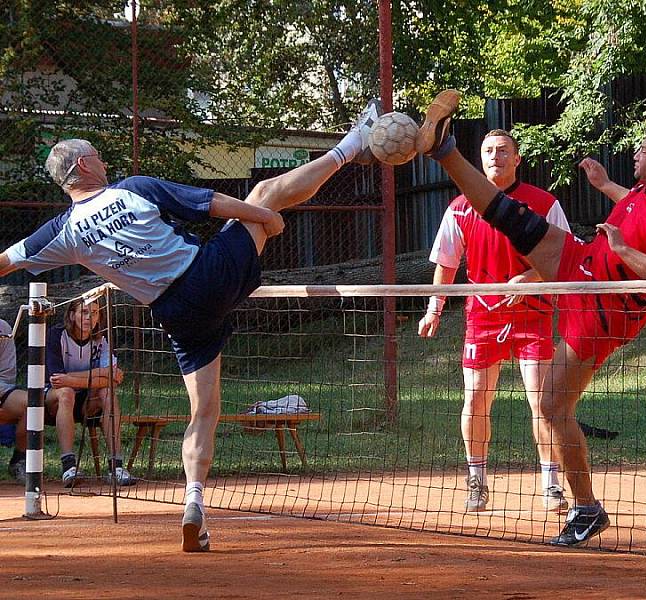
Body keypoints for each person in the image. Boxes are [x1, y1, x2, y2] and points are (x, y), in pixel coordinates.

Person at [0, 99, 382, 552]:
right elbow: (213, 204)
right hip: (206, 275)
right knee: (264, 192)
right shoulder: (134, 188)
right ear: (85, 164)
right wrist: (266, 219)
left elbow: (5, 261)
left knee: (204, 410)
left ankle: (194, 505)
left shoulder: (62, 230)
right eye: (98, 156)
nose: (105, 161)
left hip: (176, 314)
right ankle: (353, 143)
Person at [415, 90, 646, 546]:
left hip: (602, 314)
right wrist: (606, 188)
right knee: (512, 218)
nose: (636, 153)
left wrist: (622, 249)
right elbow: (641, 208)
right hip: (584, 266)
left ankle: (585, 508)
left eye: (644, 149)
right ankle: (444, 150)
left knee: (551, 407)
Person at [418, 129, 572, 513]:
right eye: (487, 151)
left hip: (532, 315)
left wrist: (530, 278)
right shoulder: (460, 207)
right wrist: (434, 309)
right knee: (475, 399)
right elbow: (447, 265)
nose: (495, 157)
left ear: (517, 159)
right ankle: (477, 482)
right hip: (482, 318)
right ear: (480, 158)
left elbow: (565, 259)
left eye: (503, 151)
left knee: (542, 401)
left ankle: (551, 484)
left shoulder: (543, 203)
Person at [44, 299, 132, 487]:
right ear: (71, 315)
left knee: (107, 392)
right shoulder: (56, 335)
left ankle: (116, 466)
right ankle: (68, 467)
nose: (89, 318)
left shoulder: (102, 339)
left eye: (94, 313)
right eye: (84, 312)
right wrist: (100, 374)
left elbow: (112, 378)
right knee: (66, 392)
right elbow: (56, 379)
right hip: (52, 400)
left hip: (86, 401)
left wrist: (72, 377)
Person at [0, 318, 26, 484]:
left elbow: (7, 375)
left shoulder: (3, 328)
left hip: (1, 389)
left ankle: (19, 461)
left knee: (33, 405)